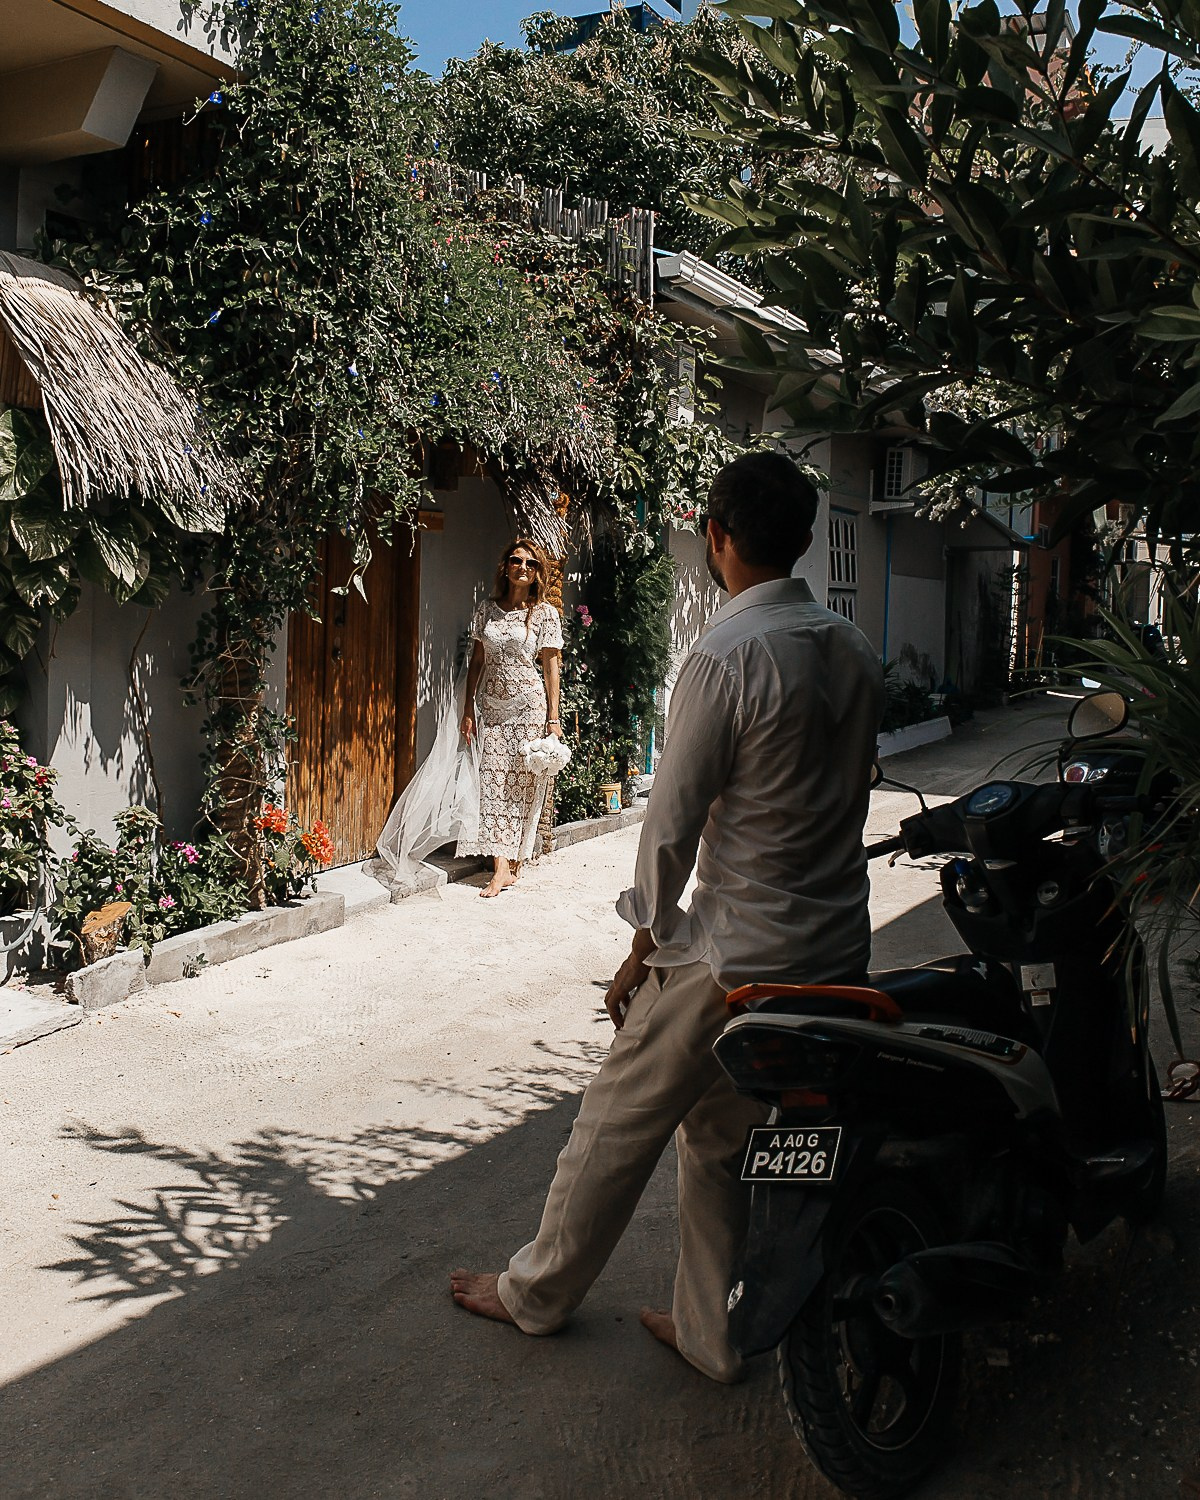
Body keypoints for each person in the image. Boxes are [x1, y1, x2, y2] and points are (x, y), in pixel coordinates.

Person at [450, 451, 885, 1382]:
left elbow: (671, 827)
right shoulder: (851, 649)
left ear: (716, 537)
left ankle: (535, 1294)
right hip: (837, 952)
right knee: (719, 1134)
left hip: (737, 957)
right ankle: (707, 1329)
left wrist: (641, 950)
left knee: (614, 1121)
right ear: (805, 539)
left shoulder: (727, 656)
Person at [454, 538, 564, 899]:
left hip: (528, 707)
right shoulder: (487, 610)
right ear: (506, 566)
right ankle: (501, 866)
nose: (523, 568)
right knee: (491, 783)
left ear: (537, 573)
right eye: (517, 561)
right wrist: (467, 708)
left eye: (531, 564)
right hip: (491, 707)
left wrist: (553, 719)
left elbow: (551, 666)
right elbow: (477, 661)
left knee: (521, 786)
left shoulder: (544, 613)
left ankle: (509, 865)